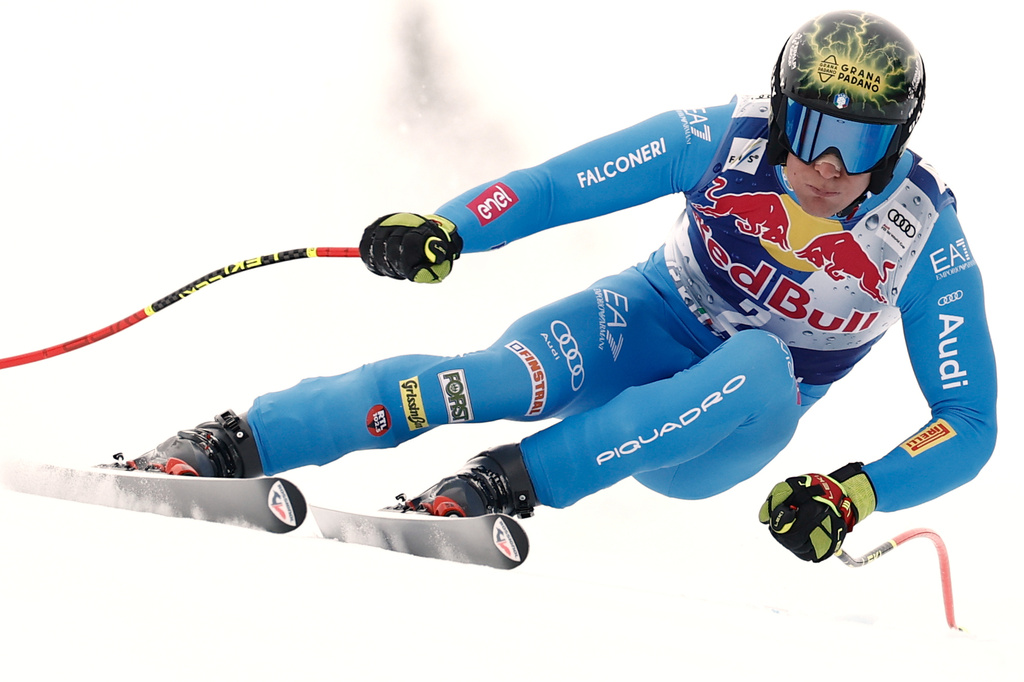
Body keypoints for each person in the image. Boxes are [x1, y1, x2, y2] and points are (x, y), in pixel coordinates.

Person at [124, 10, 997, 563]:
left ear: (901, 139)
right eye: (811, 128)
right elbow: (554, 188)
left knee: (765, 361)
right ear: (780, 105)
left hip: (723, 425)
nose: (828, 165)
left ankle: (500, 485)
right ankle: (228, 444)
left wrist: (856, 490)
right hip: (646, 320)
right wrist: (451, 226)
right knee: (490, 378)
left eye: (863, 141)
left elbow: (970, 423)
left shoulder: (924, 235)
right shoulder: (724, 136)